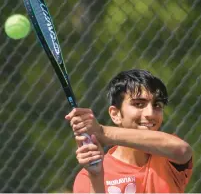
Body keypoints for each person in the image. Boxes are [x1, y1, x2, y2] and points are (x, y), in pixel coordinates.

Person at [65, 69, 193, 193]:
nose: (150, 113)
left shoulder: (168, 156)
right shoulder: (87, 177)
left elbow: (182, 150)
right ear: (115, 114)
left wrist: (102, 132)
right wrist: (96, 177)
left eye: (157, 105)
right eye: (138, 104)